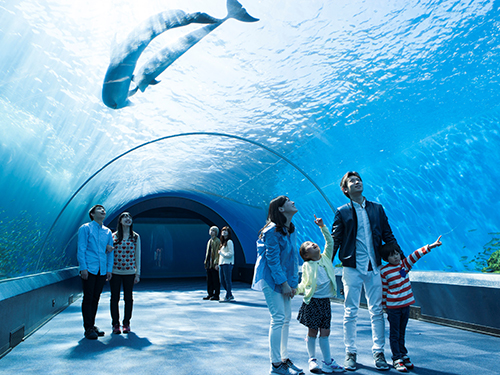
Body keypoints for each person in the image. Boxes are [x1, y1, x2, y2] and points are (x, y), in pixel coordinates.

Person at [331, 171, 399, 371]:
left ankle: (379, 352)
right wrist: (325, 263)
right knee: (350, 311)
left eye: (358, 179)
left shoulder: (377, 208)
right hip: (352, 267)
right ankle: (350, 352)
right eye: (351, 181)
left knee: (376, 310)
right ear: (345, 189)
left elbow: (388, 234)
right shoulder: (342, 211)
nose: (357, 182)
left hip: (374, 266)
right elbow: (336, 240)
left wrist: (400, 258)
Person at [252, 196, 304, 375]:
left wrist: (293, 282)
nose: (293, 202)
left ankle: (283, 358)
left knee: (286, 319)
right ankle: (275, 365)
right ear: (280, 209)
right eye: (288, 201)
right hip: (270, 278)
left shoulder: (291, 229)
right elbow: (272, 260)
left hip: (284, 279)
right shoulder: (272, 230)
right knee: (278, 318)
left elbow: (292, 259)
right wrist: (283, 283)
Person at [380, 236, 442, 372]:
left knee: (402, 332)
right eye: (392, 256)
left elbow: (415, 254)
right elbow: (384, 290)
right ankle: (396, 358)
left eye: (397, 253)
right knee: (394, 333)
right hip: (393, 308)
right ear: (386, 258)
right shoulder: (384, 271)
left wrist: (431, 246)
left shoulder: (404, 266)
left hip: (405, 306)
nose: (396, 257)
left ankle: (403, 354)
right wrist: (384, 306)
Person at [297, 215, 344, 374]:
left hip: (325, 302)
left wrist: (322, 227)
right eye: (308, 245)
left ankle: (328, 361)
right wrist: (294, 290)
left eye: (312, 242)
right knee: (312, 332)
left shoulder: (326, 258)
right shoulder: (307, 265)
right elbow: (304, 283)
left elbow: (330, 242)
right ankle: (312, 359)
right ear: (306, 255)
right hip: (312, 302)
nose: (312, 244)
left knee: (326, 332)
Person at [77, 204, 114, 340]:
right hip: (89, 268)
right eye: (99, 209)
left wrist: (108, 270)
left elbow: (110, 253)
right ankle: (88, 328)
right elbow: (81, 249)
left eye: (104, 209)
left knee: (95, 298)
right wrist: (83, 268)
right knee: (88, 298)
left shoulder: (107, 231)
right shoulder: (85, 228)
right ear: (92, 214)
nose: (103, 210)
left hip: (102, 270)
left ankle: (92, 325)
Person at [110, 212, 141, 334]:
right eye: (124, 217)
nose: (128, 219)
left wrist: (137, 273)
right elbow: (109, 255)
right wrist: (108, 271)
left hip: (129, 272)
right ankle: (115, 324)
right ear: (120, 221)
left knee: (128, 298)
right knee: (114, 298)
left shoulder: (136, 237)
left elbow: (137, 255)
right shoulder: (113, 236)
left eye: (130, 217)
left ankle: (126, 322)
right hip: (115, 271)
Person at [203, 226, 221, 300]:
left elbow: (217, 253)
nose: (211, 232)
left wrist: (216, 263)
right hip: (209, 264)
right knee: (209, 280)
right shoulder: (209, 241)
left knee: (215, 279)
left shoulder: (217, 241)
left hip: (214, 264)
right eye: (211, 230)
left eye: (213, 230)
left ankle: (216, 294)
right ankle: (210, 293)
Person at [218, 226, 235, 302]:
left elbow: (231, 253)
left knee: (227, 280)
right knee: (222, 280)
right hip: (222, 263)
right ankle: (230, 294)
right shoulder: (222, 242)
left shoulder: (229, 242)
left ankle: (228, 296)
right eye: (223, 231)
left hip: (228, 263)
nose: (224, 232)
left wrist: (222, 253)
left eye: (226, 231)